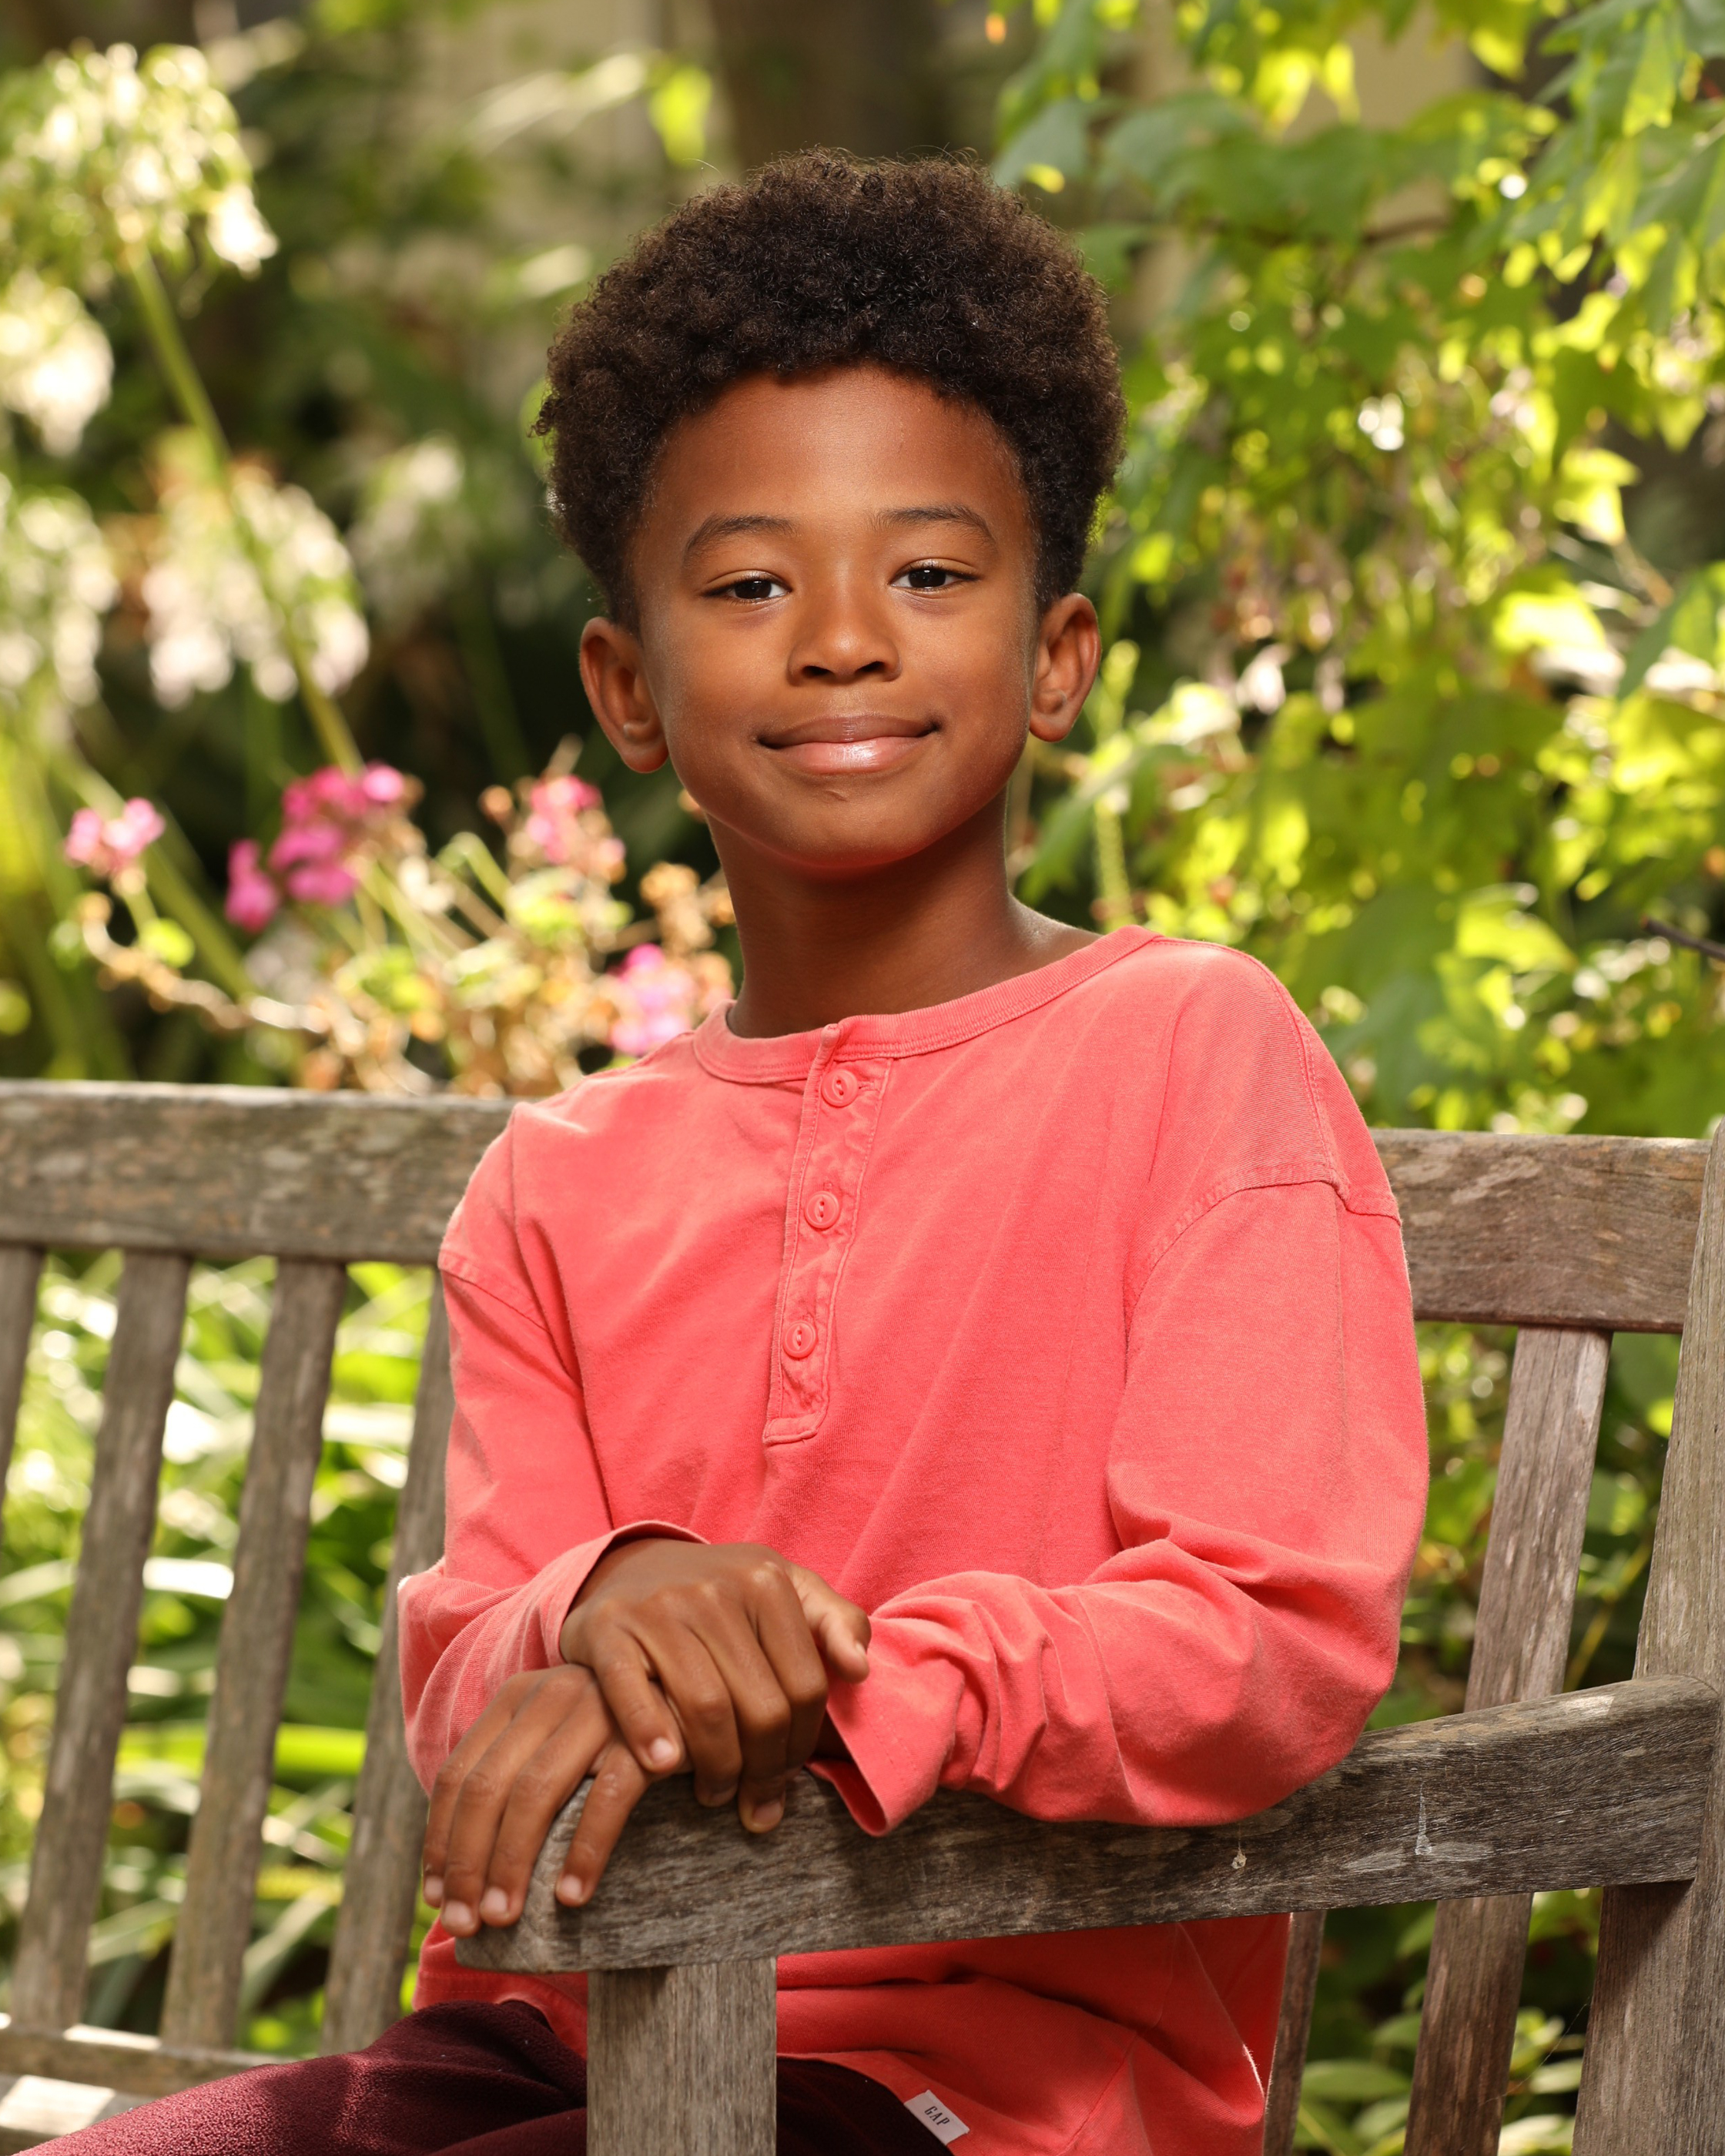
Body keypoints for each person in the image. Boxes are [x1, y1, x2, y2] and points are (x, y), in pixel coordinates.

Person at [62, 150, 1428, 2155]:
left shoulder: (1191, 1051)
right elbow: (474, 1666)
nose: (845, 639)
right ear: (629, 688)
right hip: (567, 2033)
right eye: (751, 584)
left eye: (931, 574)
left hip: (986, 2086)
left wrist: (847, 1674)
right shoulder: (559, 1180)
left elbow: (1270, 1635)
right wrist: (604, 1603)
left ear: (1057, 656)